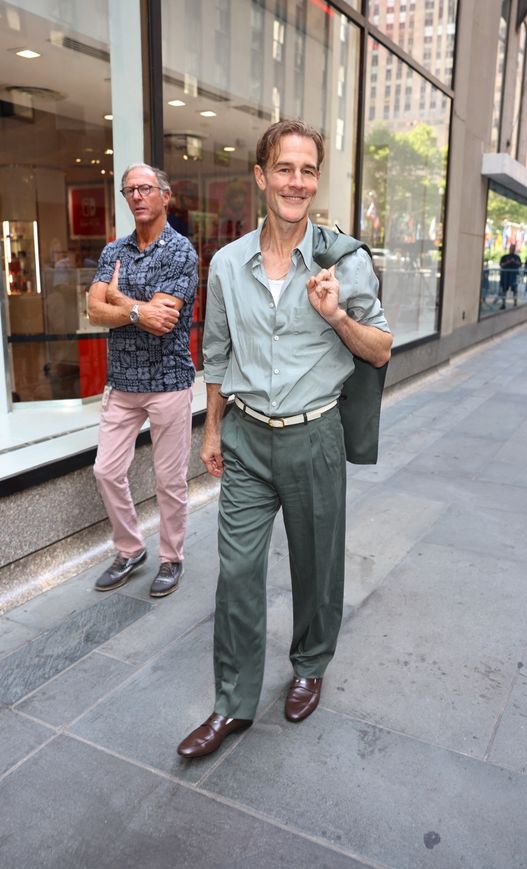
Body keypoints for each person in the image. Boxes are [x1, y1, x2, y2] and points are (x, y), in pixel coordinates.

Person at [177, 119, 392, 760]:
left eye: (307, 170)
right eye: (284, 169)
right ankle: (232, 703)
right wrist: (212, 427)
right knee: (237, 572)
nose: (296, 182)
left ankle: (309, 663)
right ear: (261, 176)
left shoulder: (342, 259)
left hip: (314, 435)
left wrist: (335, 315)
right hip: (246, 438)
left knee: (316, 565)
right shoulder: (227, 265)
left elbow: (379, 349)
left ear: (315, 180)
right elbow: (217, 355)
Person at [88, 163, 198, 597]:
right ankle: (131, 547)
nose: (137, 196)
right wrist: (131, 307)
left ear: (164, 196)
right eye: (130, 189)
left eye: (145, 188)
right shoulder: (112, 251)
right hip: (122, 384)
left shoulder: (180, 252)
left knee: (169, 482)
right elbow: (95, 311)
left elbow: (163, 320)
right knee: (105, 470)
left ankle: (171, 558)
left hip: (168, 381)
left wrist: (115, 296)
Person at [499, 244, 521, 309]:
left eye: (513, 248)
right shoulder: (504, 257)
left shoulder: (517, 257)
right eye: (511, 248)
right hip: (505, 276)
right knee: (504, 289)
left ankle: (515, 303)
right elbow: (501, 264)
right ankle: (503, 304)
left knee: (515, 290)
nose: (512, 249)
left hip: (513, 276)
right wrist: (507, 262)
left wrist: (515, 262)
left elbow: (520, 264)